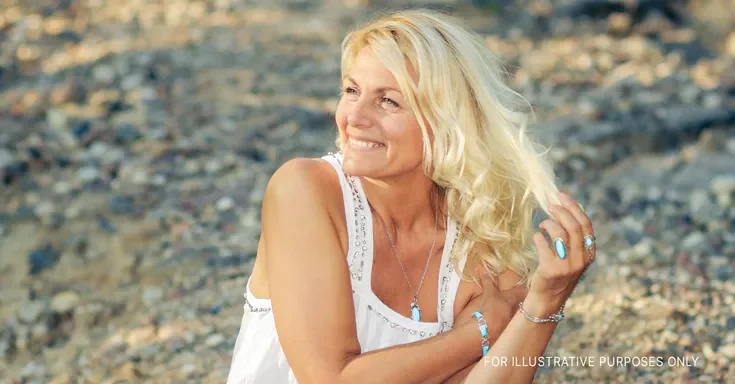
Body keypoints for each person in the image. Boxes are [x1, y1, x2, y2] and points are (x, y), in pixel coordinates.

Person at [227, 8, 596, 384]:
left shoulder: (481, 246)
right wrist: (480, 332)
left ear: (446, 123)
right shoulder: (305, 191)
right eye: (352, 91)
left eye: (388, 101)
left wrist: (545, 301)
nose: (354, 116)